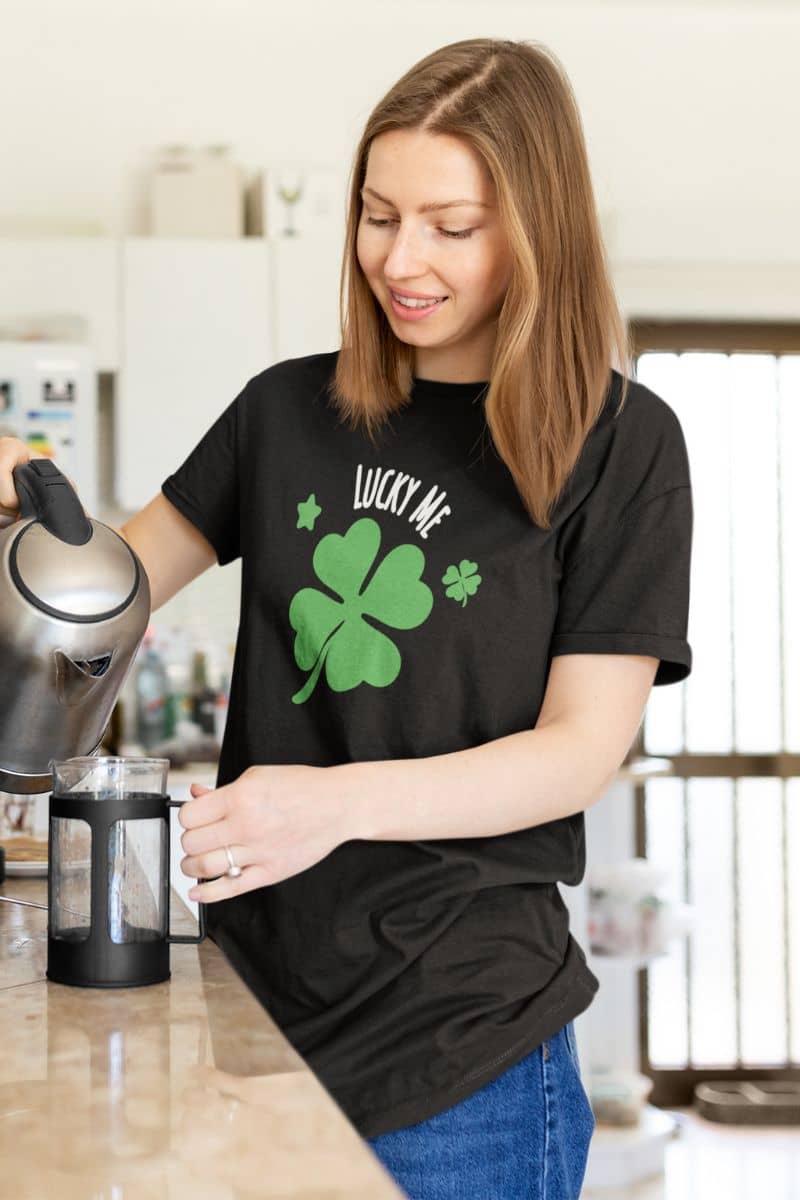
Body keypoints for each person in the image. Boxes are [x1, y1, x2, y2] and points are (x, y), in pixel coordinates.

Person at [0, 36, 693, 1200]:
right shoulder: (282, 412)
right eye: (376, 216)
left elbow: (580, 750)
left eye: (449, 226)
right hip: (256, 1017)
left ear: (538, 228)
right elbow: (109, 594)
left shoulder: (619, 446)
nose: (399, 258)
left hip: (466, 1051)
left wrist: (330, 804)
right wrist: (28, 504)